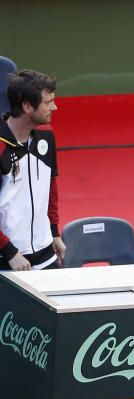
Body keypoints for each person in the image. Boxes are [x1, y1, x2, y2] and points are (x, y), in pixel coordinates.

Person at [0, 69, 65, 271]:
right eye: (47, 102)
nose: (54, 107)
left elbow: (51, 187)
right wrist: (9, 252)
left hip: (45, 255)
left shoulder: (46, 135)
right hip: (8, 260)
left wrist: (54, 233)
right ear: (27, 106)